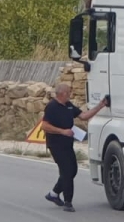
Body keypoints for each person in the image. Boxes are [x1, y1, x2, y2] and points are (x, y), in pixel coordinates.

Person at [41, 84, 108, 212]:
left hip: (67, 144)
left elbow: (83, 116)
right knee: (66, 171)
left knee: (73, 171)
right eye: (69, 92)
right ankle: (68, 202)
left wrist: (100, 106)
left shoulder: (69, 105)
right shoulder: (52, 106)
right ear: (63, 93)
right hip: (56, 144)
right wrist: (62, 131)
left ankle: (53, 194)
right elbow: (44, 126)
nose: (70, 94)